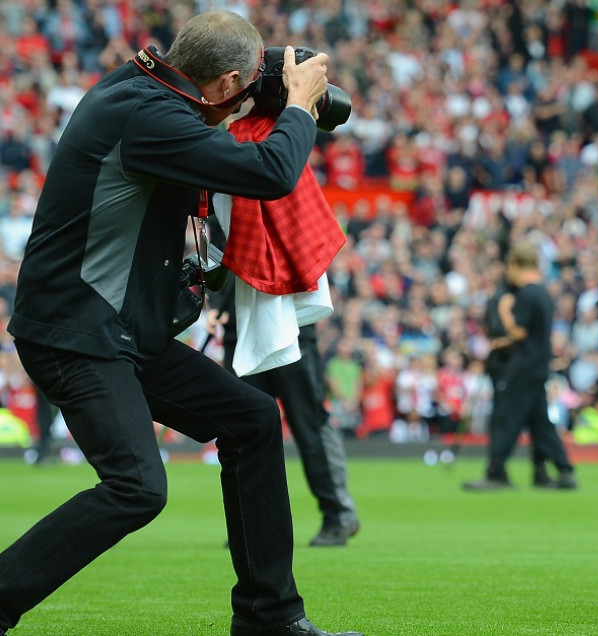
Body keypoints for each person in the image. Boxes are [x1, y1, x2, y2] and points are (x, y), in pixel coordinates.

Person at [0, 11, 361, 636]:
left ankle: (268, 619)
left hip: (118, 330)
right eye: (241, 86)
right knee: (137, 485)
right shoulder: (150, 117)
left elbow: (236, 70)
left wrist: (276, 75)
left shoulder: (146, 87)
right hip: (78, 334)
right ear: (224, 82)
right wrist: (298, 108)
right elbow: (270, 173)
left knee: (250, 420)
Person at [209, 278, 361, 548]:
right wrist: (217, 302)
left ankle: (338, 513)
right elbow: (220, 256)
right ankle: (252, 524)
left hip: (291, 327)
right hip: (244, 329)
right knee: (246, 431)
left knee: (309, 426)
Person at [463, 241, 577, 490]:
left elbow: (519, 332)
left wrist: (505, 314)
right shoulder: (543, 292)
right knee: (540, 422)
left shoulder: (526, 294)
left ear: (515, 264)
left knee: (507, 418)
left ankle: (496, 473)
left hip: (523, 366)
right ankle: (565, 471)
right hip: (538, 366)